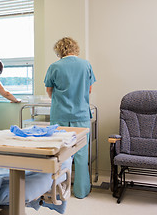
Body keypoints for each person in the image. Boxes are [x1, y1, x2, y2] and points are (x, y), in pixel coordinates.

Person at [44, 37, 96, 199]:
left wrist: (61, 101)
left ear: (59, 50)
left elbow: (49, 90)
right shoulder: (86, 65)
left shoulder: (54, 67)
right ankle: (81, 191)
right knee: (81, 153)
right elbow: (89, 90)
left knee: (60, 154)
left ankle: (58, 191)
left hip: (60, 115)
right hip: (81, 115)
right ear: (75, 48)